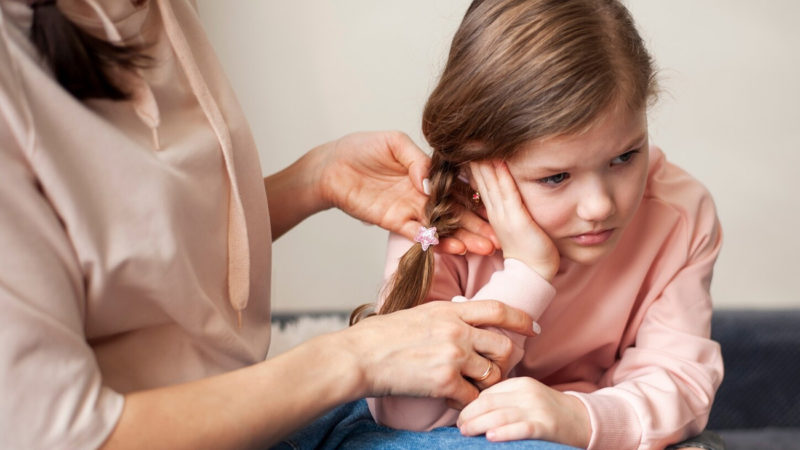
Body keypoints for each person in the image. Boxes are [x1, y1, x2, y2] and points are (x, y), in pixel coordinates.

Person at [0, 0, 544, 448]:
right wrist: (357, 356)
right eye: (557, 177)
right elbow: (62, 434)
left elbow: (128, 258)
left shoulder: (160, 14)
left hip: (260, 413)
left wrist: (312, 180)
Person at [319, 0, 723, 449]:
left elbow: (678, 380)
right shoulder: (436, 221)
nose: (599, 206)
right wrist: (527, 274)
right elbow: (406, 415)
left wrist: (579, 417)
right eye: (555, 177)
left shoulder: (680, 213)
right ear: (477, 165)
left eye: (625, 157)